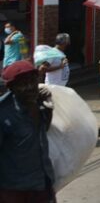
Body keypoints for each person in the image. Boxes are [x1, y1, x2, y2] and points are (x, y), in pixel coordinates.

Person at [0, 61, 56, 202]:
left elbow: (39, 136)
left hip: (42, 185)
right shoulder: (4, 114)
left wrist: (48, 112)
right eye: (23, 84)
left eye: (33, 81)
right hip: (14, 191)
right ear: (12, 87)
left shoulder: (41, 104)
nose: (30, 88)